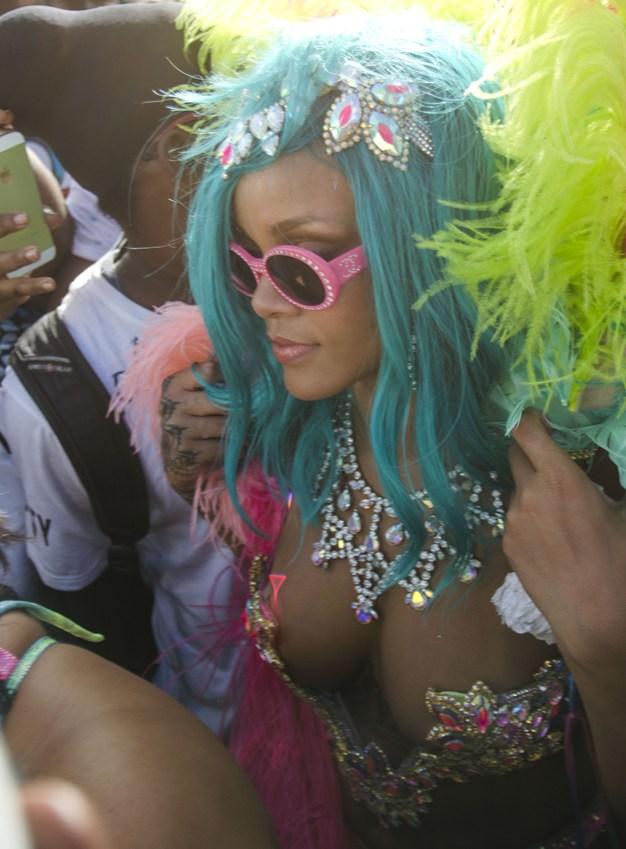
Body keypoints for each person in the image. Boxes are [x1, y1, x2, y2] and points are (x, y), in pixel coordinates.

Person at [146, 4, 625, 848]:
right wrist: (214, 467)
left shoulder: (586, 477)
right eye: (244, 261)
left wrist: (607, 650)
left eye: (300, 263)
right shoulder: (283, 415)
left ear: (423, 249)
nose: (262, 302)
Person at [0, 2, 240, 731]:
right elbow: (79, 609)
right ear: (184, 139)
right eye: (248, 113)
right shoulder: (58, 380)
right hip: (208, 731)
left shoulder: (309, 278)